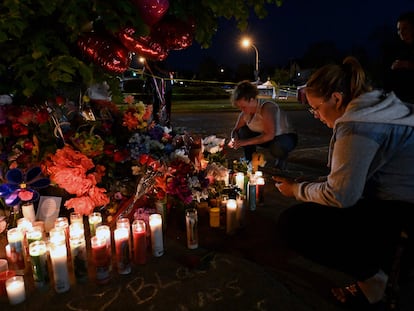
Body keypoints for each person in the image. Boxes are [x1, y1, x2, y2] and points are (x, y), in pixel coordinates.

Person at [272, 56, 414, 308]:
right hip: (400, 196)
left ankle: (374, 280)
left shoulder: (357, 124)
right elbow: (354, 174)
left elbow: (342, 195)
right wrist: (316, 182)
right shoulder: (378, 108)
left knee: (295, 223)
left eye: (316, 108)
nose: (315, 115)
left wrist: (296, 190)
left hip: (401, 206)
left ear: (336, 99)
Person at [228, 80, 297, 170]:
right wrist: (234, 138)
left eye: (243, 106)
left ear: (252, 100)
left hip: (285, 137)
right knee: (243, 131)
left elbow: (269, 135)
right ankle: (249, 160)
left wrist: (244, 142)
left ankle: (281, 159)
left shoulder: (266, 107)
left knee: (276, 147)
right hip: (267, 138)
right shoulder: (244, 114)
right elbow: (236, 130)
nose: (242, 110)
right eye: (239, 107)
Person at [383, 11, 414, 104]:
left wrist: (407, 64)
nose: (401, 32)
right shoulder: (399, 50)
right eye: (399, 29)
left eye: (405, 28)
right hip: (401, 102)